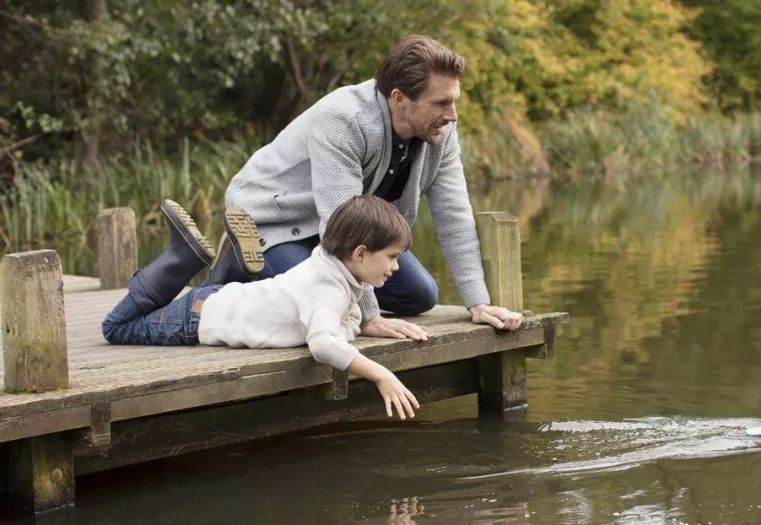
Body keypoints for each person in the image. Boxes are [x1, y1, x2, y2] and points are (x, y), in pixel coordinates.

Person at [205, 34, 523, 339]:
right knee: (317, 300)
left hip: (342, 231)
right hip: (276, 220)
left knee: (420, 295)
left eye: (453, 102)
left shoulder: (439, 133)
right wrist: (368, 316)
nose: (452, 115)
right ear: (399, 98)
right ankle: (238, 259)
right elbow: (341, 225)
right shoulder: (344, 120)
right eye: (441, 103)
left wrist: (478, 303)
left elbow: (454, 217)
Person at [101, 196, 426, 419]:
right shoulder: (327, 289)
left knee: (189, 301)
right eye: (392, 257)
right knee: (115, 327)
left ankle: (229, 263)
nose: (396, 267)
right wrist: (381, 375)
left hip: (222, 299)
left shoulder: (328, 267)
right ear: (359, 253)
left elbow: (342, 322)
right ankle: (180, 257)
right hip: (197, 319)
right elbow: (324, 344)